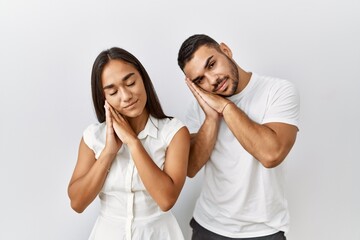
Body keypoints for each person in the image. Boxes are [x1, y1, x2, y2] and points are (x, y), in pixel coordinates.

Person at [177, 34, 300, 240]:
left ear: (226, 50)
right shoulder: (198, 109)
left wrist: (225, 107)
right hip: (208, 226)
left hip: (264, 231)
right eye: (200, 80)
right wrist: (211, 117)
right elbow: (191, 167)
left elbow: (271, 154)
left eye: (212, 65)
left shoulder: (277, 91)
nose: (212, 80)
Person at [68, 47, 190, 240]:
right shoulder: (93, 137)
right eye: (113, 91)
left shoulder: (173, 132)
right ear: (104, 99)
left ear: (143, 80)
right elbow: (77, 203)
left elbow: (166, 200)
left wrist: (133, 143)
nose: (126, 96)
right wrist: (108, 152)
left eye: (131, 83)